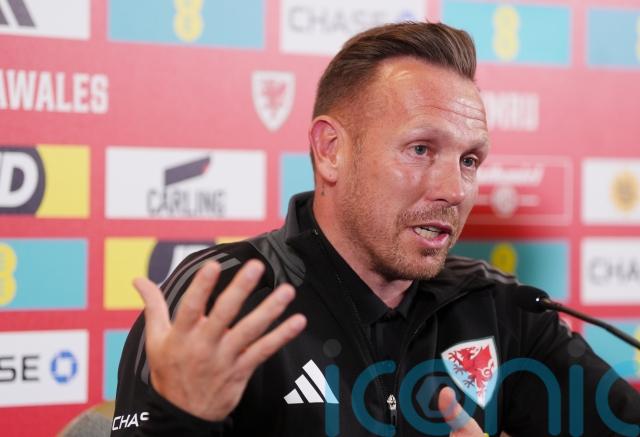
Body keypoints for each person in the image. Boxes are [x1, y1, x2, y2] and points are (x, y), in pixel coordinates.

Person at [111, 22, 640, 436]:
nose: (454, 190)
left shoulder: (500, 308)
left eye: (470, 160)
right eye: (421, 149)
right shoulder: (225, 301)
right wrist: (183, 421)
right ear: (331, 150)